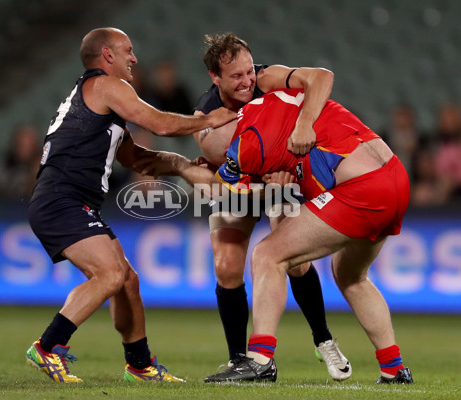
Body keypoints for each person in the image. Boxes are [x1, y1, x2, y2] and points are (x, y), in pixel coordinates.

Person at [137, 87, 414, 384]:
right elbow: (319, 79)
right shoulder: (286, 98)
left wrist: (181, 166)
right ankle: (393, 368)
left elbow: (221, 187)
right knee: (350, 277)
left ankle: (260, 359)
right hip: (394, 177)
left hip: (362, 190)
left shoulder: (252, 137)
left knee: (267, 256)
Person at [25, 27, 236, 383]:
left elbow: (136, 157)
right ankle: (48, 347)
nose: (134, 58)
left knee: (127, 281)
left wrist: (183, 167)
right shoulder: (107, 85)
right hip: (63, 199)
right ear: (107, 55)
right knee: (109, 274)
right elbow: (158, 123)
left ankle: (140, 366)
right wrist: (207, 120)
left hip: (70, 201)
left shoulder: (97, 101)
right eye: (128, 50)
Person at [192, 33, 351, 381]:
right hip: (244, 187)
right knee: (226, 267)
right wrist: (265, 179)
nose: (248, 80)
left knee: (295, 262)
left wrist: (302, 131)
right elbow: (224, 178)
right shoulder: (209, 119)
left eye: (249, 70)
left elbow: (321, 77)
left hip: (283, 180)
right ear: (214, 78)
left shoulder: (268, 78)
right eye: (236, 76)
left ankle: (323, 339)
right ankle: (240, 361)